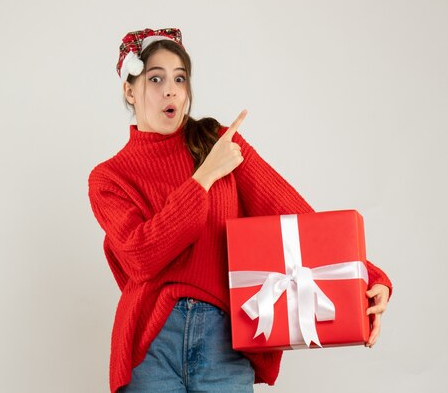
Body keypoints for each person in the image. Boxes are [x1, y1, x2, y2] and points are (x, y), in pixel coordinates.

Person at [88, 28, 392, 393]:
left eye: (180, 79)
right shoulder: (109, 178)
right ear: (129, 90)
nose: (170, 90)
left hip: (225, 338)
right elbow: (142, 257)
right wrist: (204, 177)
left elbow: (291, 214)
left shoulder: (218, 141)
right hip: (152, 341)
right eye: (156, 79)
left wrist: (367, 275)